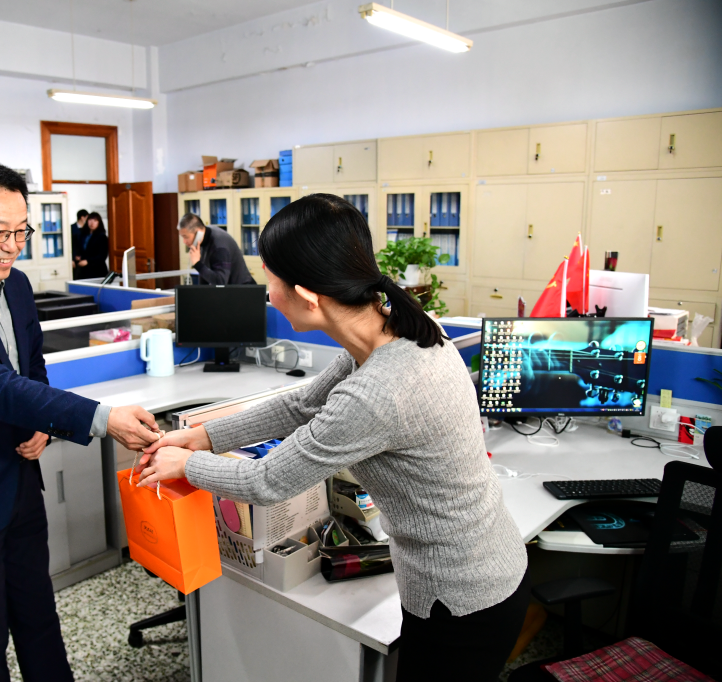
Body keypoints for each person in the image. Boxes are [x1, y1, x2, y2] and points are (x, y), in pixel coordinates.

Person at [139, 194, 530, 682]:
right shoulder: (396, 329)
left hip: (461, 596)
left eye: (270, 280)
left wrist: (185, 466)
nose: (267, 295)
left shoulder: (380, 390)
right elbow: (301, 405)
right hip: (483, 566)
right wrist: (201, 436)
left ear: (307, 296)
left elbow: (266, 481)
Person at [0, 162, 160, 682]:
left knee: (39, 617)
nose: (12, 246)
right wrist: (103, 419)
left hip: (20, 480)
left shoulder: (15, 286)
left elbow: (29, 369)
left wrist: (41, 423)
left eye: (21, 231)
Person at [177, 213, 255, 285]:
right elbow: (205, 278)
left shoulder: (219, 246)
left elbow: (220, 282)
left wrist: (197, 264)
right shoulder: (203, 238)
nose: (184, 241)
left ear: (198, 233)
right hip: (229, 291)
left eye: (186, 237)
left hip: (243, 290)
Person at [75, 211, 109, 280]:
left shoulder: (102, 237)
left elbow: (102, 256)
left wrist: (88, 261)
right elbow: (80, 249)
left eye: (95, 221)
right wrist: (78, 256)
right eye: (90, 220)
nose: (92, 223)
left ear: (99, 223)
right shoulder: (83, 235)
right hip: (83, 270)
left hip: (96, 270)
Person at [71, 208, 88, 277]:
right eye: (87, 217)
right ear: (82, 217)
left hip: (85, 259)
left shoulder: (87, 229)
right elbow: (70, 245)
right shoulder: (71, 228)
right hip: (74, 258)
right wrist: (72, 258)